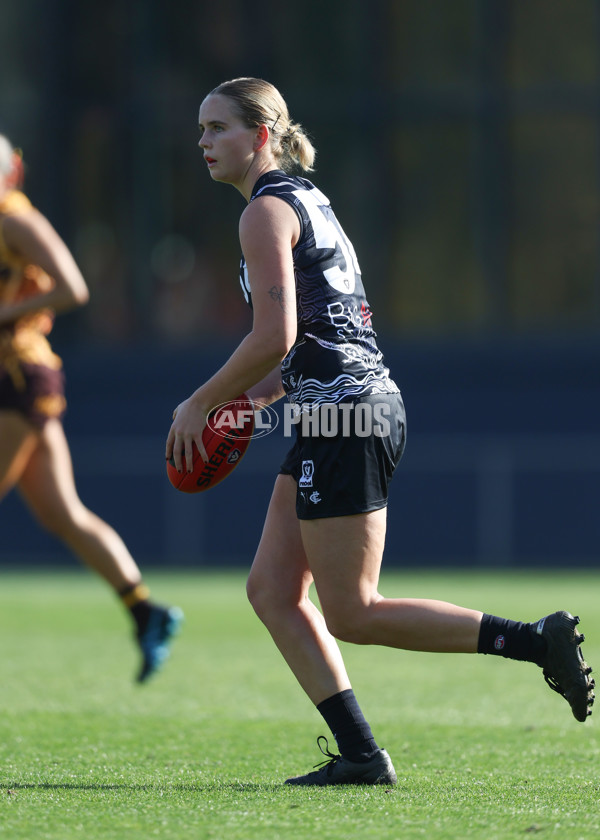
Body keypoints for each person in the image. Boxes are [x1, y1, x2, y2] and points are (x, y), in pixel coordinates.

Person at [166, 78, 595, 786]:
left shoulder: (265, 212)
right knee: (273, 591)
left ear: (262, 136)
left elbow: (273, 336)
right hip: (337, 408)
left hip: (347, 415)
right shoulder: (310, 200)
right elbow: (319, 335)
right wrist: (257, 403)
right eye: (201, 130)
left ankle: (535, 642)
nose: (204, 143)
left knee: (353, 611)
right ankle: (361, 755)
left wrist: (199, 402)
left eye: (218, 128)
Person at [0, 135, 183, 683]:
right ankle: (145, 611)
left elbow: (74, 289)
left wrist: (7, 314)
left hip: (19, 376)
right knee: (61, 513)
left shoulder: (14, 219)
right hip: (16, 376)